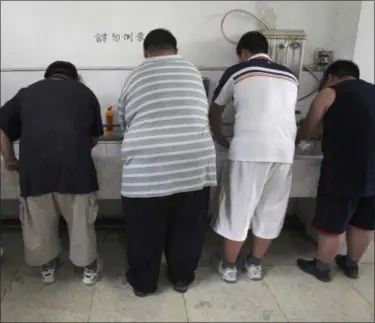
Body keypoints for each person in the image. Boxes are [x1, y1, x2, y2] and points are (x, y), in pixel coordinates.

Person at [117, 28, 216, 297]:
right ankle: (182, 277)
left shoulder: (135, 74)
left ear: (145, 52)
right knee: (187, 227)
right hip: (194, 165)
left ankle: (143, 283)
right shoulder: (193, 71)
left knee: (144, 230)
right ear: (175, 49)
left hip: (147, 168)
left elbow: (124, 121)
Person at [0, 61, 104, 285]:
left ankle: (47, 266)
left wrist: (9, 159)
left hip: (35, 171)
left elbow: (2, 126)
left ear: (47, 77)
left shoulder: (26, 93)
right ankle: (88, 268)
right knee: (80, 221)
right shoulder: (84, 93)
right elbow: (94, 137)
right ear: (74, 78)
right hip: (76, 172)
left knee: (39, 222)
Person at [209, 31, 299, 282]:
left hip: (248, 151)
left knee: (237, 209)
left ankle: (228, 267)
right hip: (283, 153)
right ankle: (255, 265)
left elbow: (215, 108)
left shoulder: (238, 71)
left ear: (243, 52)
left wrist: (218, 136)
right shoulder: (290, 75)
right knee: (270, 209)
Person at [296, 60, 375, 282]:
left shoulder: (330, 93)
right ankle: (351, 265)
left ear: (330, 77)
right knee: (364, 221)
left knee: (334, 221)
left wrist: (296, 138)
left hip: (344, 170)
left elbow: (308, 128)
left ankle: (322, 267)